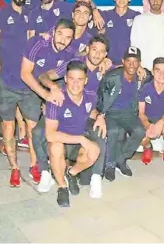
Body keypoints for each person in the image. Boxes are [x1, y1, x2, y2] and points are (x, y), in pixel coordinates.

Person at [36, 35, 110, 192]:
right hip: (61, 106)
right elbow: (43, 75)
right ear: (88, 49)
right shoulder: (74, 64)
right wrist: (52, 89)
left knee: (100, 133)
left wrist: (100, 116)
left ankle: (95, 177)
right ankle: (45, 171)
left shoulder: (106, 67)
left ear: (105, 54)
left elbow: (126, 68)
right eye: (94, 50)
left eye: (101, 52)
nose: (97, 54)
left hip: (87, 110)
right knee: (38, 132)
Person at [20, 19, 76, 190]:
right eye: (60, 34)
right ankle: (39, 167)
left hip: (54, 92)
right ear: (53, 32)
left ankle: (58, 167)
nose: (63, 40)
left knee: (51, 130)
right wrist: (46, 95)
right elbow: (25, 74)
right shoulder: (37, 43)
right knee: (34, 130)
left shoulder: (70, 54)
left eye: (68, 37)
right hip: (30, 87)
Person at [0, 0, 36, 187]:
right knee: (8, 126)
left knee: (32, 126)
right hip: (6, 80)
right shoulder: (2, 13)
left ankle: (35, 165)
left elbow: (32, 41)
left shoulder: (30, 13)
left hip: (26, 80)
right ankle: (14, 168)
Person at [45, 60, 107, 206]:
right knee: (55, 147)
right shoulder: (56, 99)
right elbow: (50, 134)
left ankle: (71, 173)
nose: (75, 84)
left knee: (94, 150)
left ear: (86, 81)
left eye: (79, 80)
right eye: (71, 79)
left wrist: (100, 117)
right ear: (65, 79)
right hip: (60, 141)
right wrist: (80, 139)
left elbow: (91, 111)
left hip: (77, 143)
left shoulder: (90, 97)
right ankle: (62, 187)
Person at [98, 47, 151, 182]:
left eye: (135, 61)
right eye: (128, 61)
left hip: (129, 113)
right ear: (123, 61)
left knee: (139, 131)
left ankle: (120, 159)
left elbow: (153, 76)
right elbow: (100, 97)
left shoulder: (141, 77)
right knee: (113, 131)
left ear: (139, 63)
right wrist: (101, 115)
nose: (132, 65)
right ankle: (110, 165)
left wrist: (146, 71)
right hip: (111, 112)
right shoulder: (112, 77)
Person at [138, 57, 164, 165]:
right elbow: (141, 113)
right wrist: (147, 125)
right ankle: (147, 147)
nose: (161, 74)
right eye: (157, 70)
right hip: (149, 119)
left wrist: (160, 124)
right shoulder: (144, 88)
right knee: (138, 132)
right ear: (152, 71)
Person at [100, 0, 139, 66]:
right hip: (108, 64)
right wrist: (94, 11)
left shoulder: (137, 16)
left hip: (129, 65)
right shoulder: (105, 15)